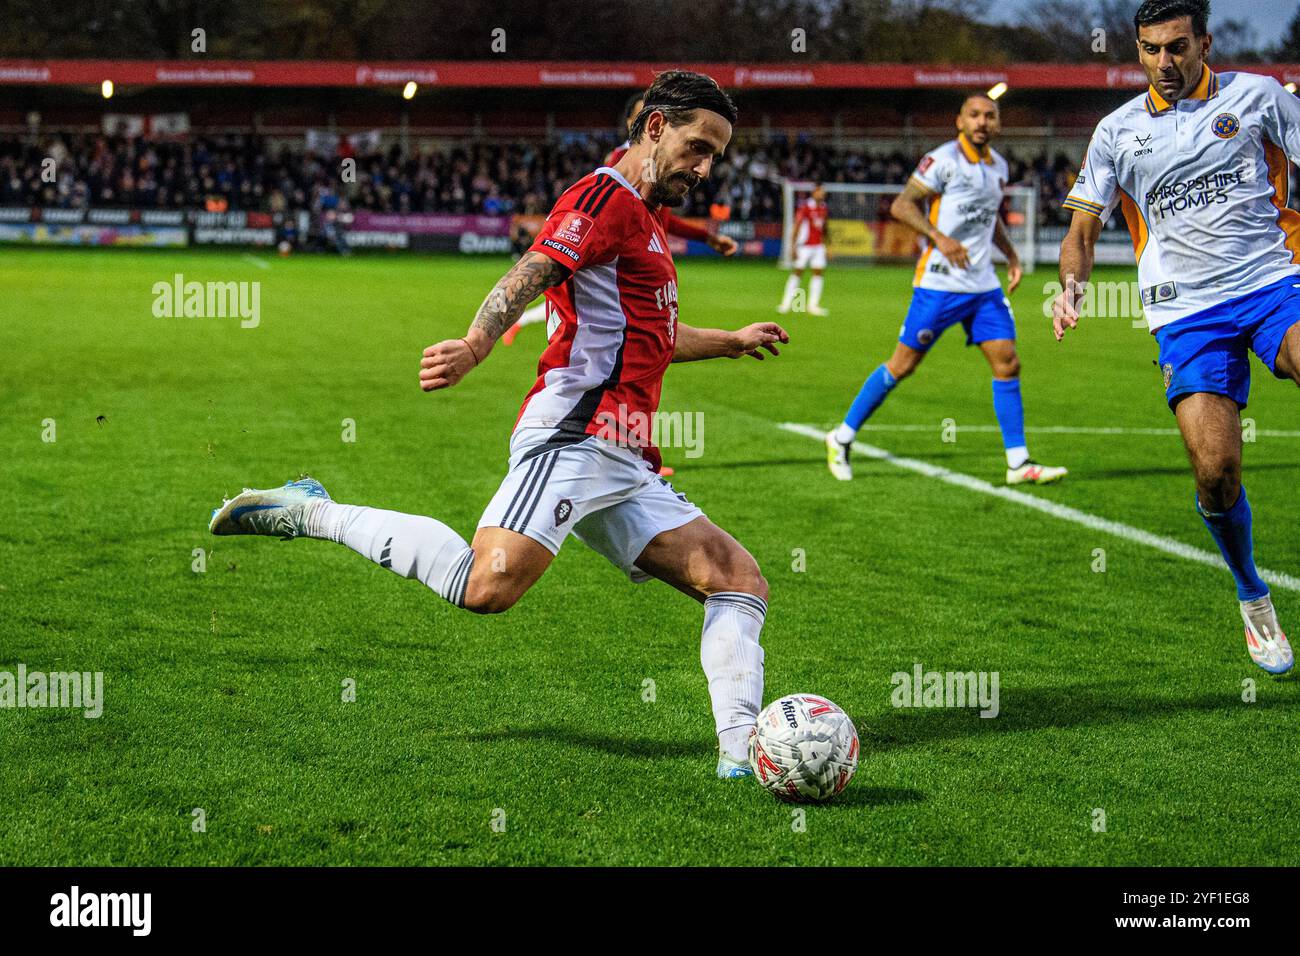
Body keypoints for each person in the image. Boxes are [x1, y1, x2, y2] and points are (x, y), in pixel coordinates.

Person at [208, 71, 791, 777]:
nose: (704, 168)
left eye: (715, 157)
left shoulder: (648, 211)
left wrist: (726, 340)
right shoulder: (603, 197)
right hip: (577, 432)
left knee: (737, 579)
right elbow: (534, 270)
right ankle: (314, 512)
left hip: (625, 452)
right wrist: (476, 345)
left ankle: (742, 757)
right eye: (697, 147)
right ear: (655, 127)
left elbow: (650, 332)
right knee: (487, 587)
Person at [1055, 0, 1298, 674]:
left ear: (1204, 43)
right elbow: (1081, 230)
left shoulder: (1260, 97)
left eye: (1178, 47)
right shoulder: (1117, 132)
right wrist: (1070, 285)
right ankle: (1253, 596)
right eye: (1151, 49)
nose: (1165, 62)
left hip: (1273, 281)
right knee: (1216, 473)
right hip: (1185, 313)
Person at [827, 94, 1067, 485]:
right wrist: (939, 238)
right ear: (960, 122)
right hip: (939, 284)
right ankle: (841, 437)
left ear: (999, 123)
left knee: (1007, 362)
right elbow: (902, 206)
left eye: (990, 115)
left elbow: (990, 221)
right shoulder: (943, 161)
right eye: (974, 115)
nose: (982, 122)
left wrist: (1011, 256)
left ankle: (1018, 463)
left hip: (983, 285)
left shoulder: (999, 167)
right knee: (902, 366)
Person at [501, 88, 738, 347]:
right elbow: (542, 264)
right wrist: (474, 345)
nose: (703, 169)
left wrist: (707, 237)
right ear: (640, 123)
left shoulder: (660, 178)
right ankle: (522, 322)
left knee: (642, 326)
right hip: (591, 369)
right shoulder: (618, 171)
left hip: (648, 258)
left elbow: (668, 221)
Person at [777, 184, 830, 316]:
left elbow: (824, 228)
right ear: (814, 193)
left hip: (818, 246)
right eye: (820, 192)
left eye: (823, 192)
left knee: (818, 273)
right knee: (797, 272)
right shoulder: (805, 207)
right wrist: (793, 246)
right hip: (804, 246)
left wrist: (828, 246)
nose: (822, 194)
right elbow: (797, 226)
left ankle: (813, 305)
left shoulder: (824, 208)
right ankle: (786, 303)